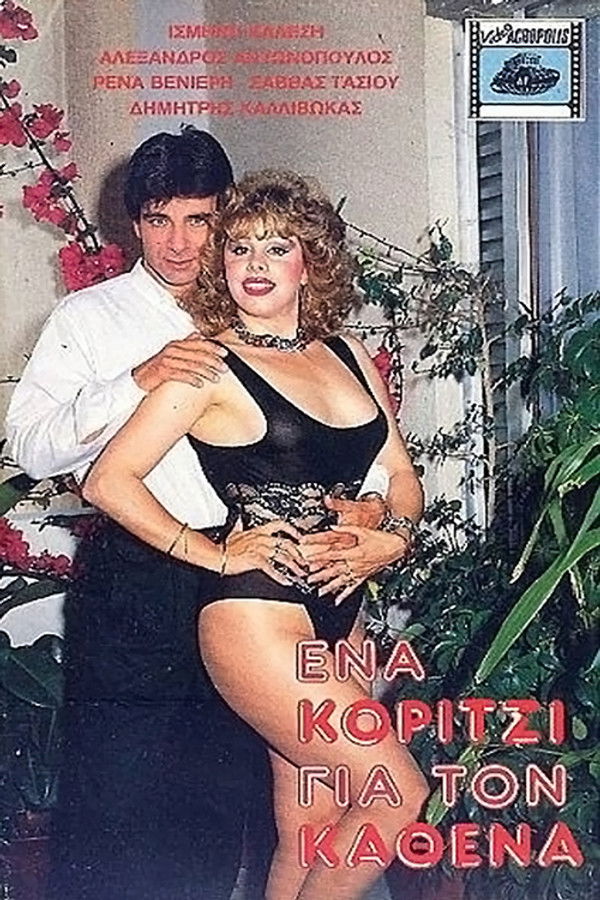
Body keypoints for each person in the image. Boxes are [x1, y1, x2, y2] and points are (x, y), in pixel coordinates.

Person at [5, 130, 387, 899]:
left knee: (221, 803)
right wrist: (135, 380)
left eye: (199, 220)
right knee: (113, 799)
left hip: (257, 582)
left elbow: (355, 443)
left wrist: (373, 514)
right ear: (134, 223)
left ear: (226, 217)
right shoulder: (90, 318)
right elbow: (33, 448)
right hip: (139, 578)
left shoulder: (272, 310)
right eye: (159, 220)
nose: (179, 243)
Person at [83, 169, 429, 900]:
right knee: (398, 795)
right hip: (257, 615)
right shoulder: (207, 364)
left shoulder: (348, 353)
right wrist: (209, 552)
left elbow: (401, 473)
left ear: (311, 261)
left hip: (343, 611)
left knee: (311, 828)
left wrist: (392, 537)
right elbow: (109, 480)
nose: (255, 265)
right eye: (239, 248)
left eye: (277, 248)